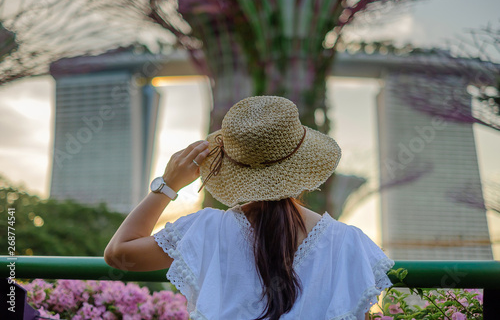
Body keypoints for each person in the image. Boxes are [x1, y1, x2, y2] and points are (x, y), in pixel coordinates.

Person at [105, 96, 395, 320]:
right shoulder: (348, 243)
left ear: (232, 169)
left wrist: (167, 185)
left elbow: (119, 253)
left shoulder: (207, 229)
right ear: (304, 169)